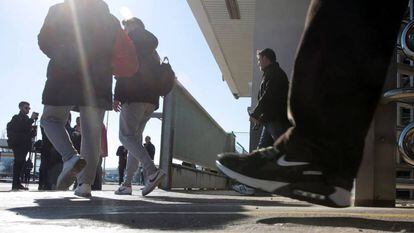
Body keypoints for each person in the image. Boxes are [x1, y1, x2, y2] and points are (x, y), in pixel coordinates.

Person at [216, 0, 409, 208]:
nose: (258, 62)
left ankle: (313, 153)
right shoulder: (271, 74)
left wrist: (259, 113)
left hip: (275, 118)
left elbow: (269, 97)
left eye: (260, 59)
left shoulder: (274, 75)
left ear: (266, 58)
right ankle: (323, 159)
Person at [38, 0, 123, 197]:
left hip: (64, 71)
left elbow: (44, 40)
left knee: (50, 119)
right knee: (92, 133)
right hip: (99, 78)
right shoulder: (110, 19)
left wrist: (61, 54)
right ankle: (85, 185)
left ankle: (69, 157)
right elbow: (117, 50)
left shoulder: (59, 9)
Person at [114, 17, 166, 196]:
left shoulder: (130, 43)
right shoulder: (153, 49)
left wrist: (117, 96)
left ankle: (152, 171)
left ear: (133, 26)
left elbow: (123, 70)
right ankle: (127, 184)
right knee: (134, 140)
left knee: (125, 136)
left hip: (133, 96)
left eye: (126, 26)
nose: (124, 29)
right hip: (151, 101)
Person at [7, 101, 37, 191]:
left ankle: (17, 183)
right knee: (18, 162)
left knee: (21, 163)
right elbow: (20, 127)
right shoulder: (16, 118)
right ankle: (15, 184)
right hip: (18, 144)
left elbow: (26, 132)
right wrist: (31, 120)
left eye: (29, 108)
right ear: (20, 108)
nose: (28, 109)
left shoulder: (26, 118)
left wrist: (33, 132)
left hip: (24, 144)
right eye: (26, 108)